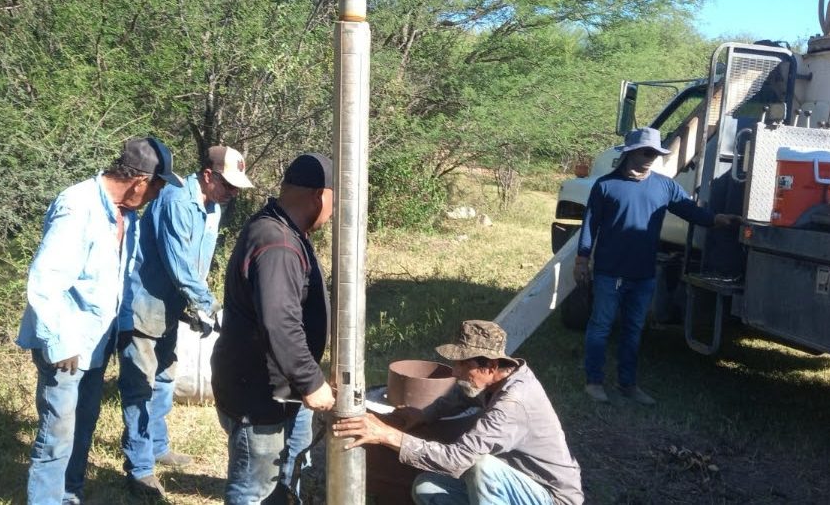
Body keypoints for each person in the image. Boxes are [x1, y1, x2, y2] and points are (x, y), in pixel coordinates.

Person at [16, 137, 181, 505]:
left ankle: (70, 495)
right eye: (157, 186)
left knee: (82, 427)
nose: (157, 196)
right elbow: (45, 281)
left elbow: (115, 281)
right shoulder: (78, 206)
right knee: (57, 435)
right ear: (140, 181)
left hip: (96, 342)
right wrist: (59, 344)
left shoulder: (126, 215)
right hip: (67, 345)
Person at [117, 146, 253, 498]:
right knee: (140, 387)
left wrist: (195, 305)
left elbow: (198, 264)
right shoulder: (177, 200)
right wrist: (208, 303)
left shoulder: (213, 207)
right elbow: (178, 263)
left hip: (172, 305)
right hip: (145, 305)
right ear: (208, 175)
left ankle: (157, 445)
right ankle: (139, 469)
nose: (233, 193)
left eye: (237, 187)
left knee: (165, 376)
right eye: (228, 185)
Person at [333, 319, 584, 505]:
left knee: (482, 467)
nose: (455, 372)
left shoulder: (512, 404)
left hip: (551, 497)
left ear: (491, 365)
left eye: (464, 365)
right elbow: (460, 395)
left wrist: (387, 435)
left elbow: (457, 459)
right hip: (517, 483)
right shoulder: (497, 379)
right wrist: (426, 414)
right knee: (427, 489)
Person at [574, 127, 740, 405]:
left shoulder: (665, 187)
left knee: (633, 330)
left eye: (656, 153)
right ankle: (594, 382)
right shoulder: (605, 186)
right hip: (609, 272)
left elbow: (691, 212)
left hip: (643, 275)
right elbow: (589, 226)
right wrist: (582, 259)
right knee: (601, 326)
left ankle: (627, 384)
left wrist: (717, 219)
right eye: (646, 152)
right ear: (631, 153)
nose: (651, 157)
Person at [211, 152, 337, 504]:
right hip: (260, 394)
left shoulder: (282, 228)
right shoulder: (278, 243)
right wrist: (311, 380)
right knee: (256, 489)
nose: (333, 211)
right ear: (319, 195)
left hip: (284, 390)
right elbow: (280, 322)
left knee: (287, 478)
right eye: (334, 201)